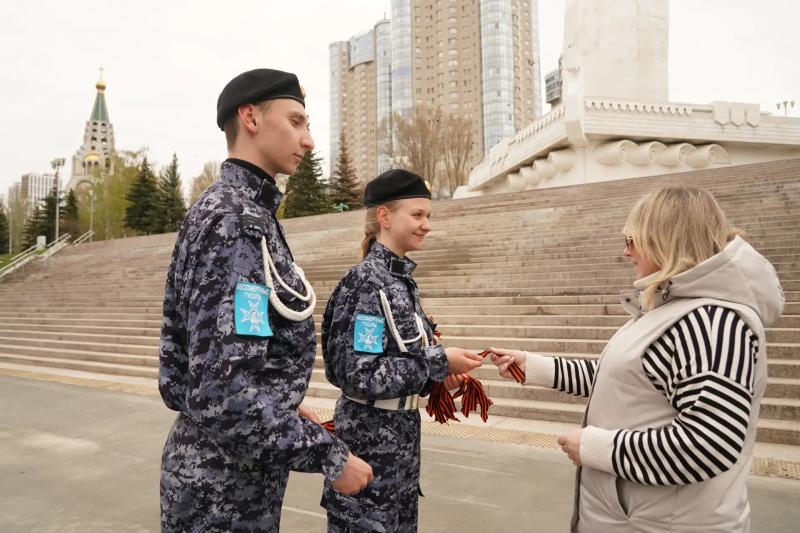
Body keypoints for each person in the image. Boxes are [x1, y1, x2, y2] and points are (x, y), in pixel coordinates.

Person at [491, 185, 784, 532]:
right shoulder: (678, 310)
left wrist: (595, 447)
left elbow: (709, 443)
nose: (626, 252)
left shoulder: (710, 322)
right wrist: (536, 367)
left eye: (632, 240)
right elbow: (626, 380)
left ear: (665, 240)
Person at [158, 68, 372, 532]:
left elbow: (232, 362)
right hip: (221, 491)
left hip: (229, 478)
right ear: (251, 118)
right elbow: (222, 392)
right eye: (296, 122)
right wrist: (330, 456)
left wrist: (282, 401)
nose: (308, 140)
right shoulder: (235, 221)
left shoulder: (243, 211)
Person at [320, 169, 484, 532]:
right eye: (417, 215)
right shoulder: (367, 282)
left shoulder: (399, 282)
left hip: (401, 453)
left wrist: (440, 378)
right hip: (368, 452)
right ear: (384, 216)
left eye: (428, 215)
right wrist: (439, 361)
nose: (427, 225)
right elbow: (358, 374)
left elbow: (402, 361)